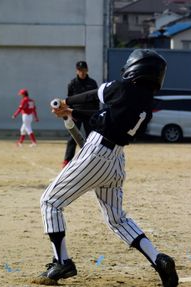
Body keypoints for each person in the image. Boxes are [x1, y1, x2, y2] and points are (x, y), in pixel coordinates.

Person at [37, 49, 179, 287]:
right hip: (115, 160)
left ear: (136, 69)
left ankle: (62, 261)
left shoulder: (123, 88)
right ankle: (158, 259)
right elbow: (105, 115)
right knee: (117, 220)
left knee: (50, 202)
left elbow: (95, 96)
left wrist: (67, 102)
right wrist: (71, 112)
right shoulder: (146, 105)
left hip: (96, 153)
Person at [62, 60, 98, 167]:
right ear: (76, 71)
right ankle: (67, 161)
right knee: (72, 138)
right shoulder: (72, 84)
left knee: (91, 138)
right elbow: (69, 100)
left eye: (84, 70)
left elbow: (96, 99)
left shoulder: (92, 83)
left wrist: (95, 114)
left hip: (89, 114)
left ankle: (91, 159)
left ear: (87, 70)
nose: (82, 72)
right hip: (75, 114)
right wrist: (69, 114)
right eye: (80, 70)